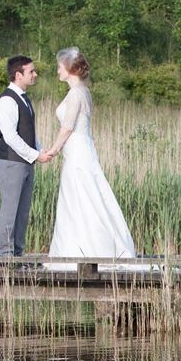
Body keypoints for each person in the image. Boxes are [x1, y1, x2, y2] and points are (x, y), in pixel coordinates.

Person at [38, 48, 135, 269]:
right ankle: (80, 245)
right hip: (82, 148)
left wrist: (52, 150)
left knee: (80, 195)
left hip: (77, 149)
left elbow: (68, 127)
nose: (57, 71)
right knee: (83, 195)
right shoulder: (84, 91)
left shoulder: (75, 94)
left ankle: (84, 248)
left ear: (69, 70)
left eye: (59, 68)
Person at [0, 55, 40, 258]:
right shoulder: (7, 100)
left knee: (22, 210)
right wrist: (34, 155)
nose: (35, 74)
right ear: (18, 74)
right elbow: (10, 136)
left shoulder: (25, 98)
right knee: (11, 208)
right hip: (11, 160)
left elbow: (29, 132)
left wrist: (40, 152)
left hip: (25, 160)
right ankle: (5, 255)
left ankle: (17, 254)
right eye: (31, 71)